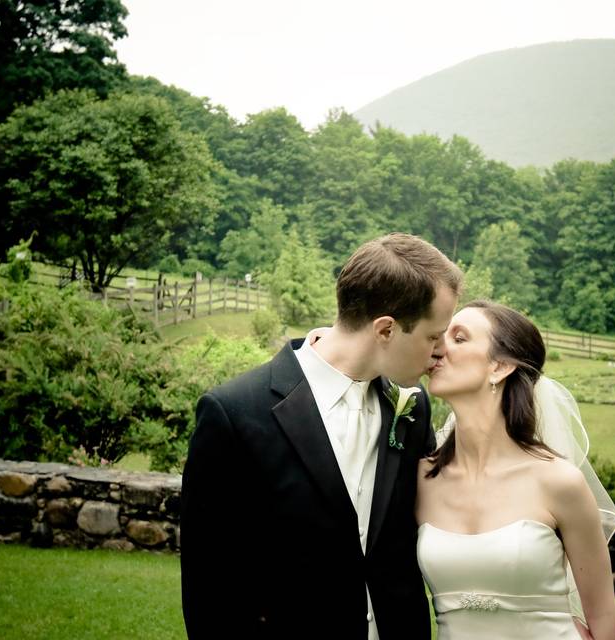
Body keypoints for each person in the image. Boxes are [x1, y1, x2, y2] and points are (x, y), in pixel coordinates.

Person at [180, 233, 462, 639]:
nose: (440, 352)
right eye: (433, 336)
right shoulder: (235, 413)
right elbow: (210, 589)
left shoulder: (411, 407)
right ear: (385, 330)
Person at [416, 300, 615, 640]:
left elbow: (602, 618)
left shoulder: (559, 482)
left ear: (499, 367)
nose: (438, 347)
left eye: (459, 337)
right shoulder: (421, 479)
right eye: (440, 335)